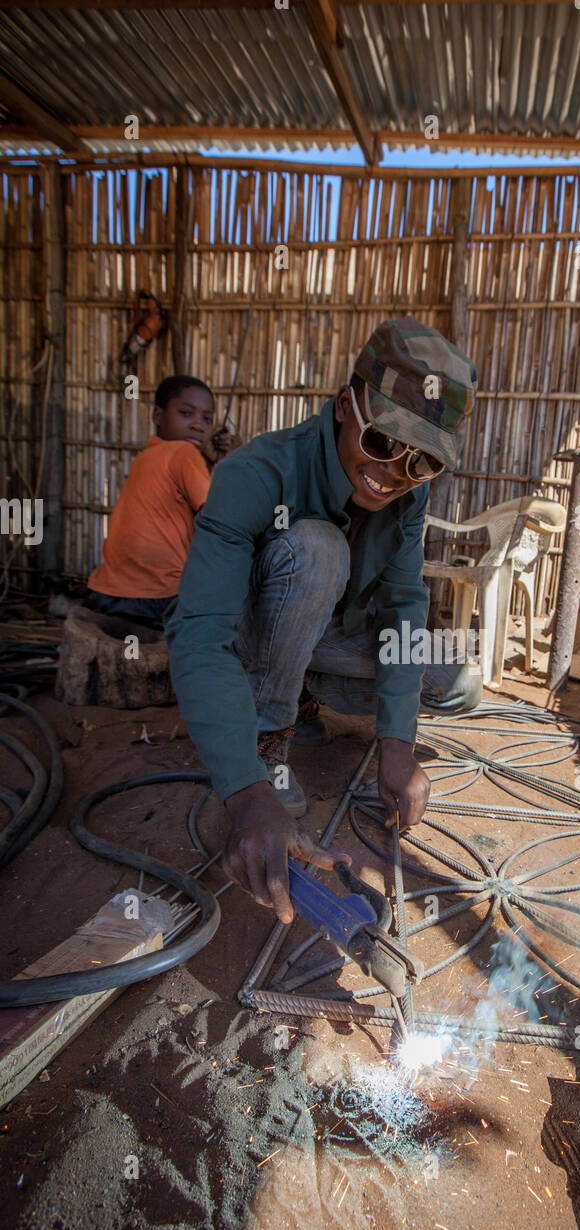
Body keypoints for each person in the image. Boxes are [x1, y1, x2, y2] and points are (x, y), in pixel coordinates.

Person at [165, 316, 483, 924]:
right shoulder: (258, 474)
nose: (395, 472)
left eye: (421, 463)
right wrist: (246, 790)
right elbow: (200, 632)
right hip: (253, 635)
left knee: (456, 682)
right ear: (345, 406)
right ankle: (269, 736)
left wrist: (396, 744)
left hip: (327, 640)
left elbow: (403, 611)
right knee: (317, 548)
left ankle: (306, 697)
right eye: (385, 442)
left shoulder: (408, 498)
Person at [87, 375, 233, 625]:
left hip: (107, 593)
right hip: (159, 597)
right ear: (157, 416)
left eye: (207, 419)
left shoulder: (147, 456)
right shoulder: (184, 452)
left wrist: (209, 460)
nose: (198, 425)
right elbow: (216, 516)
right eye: (186, 413)